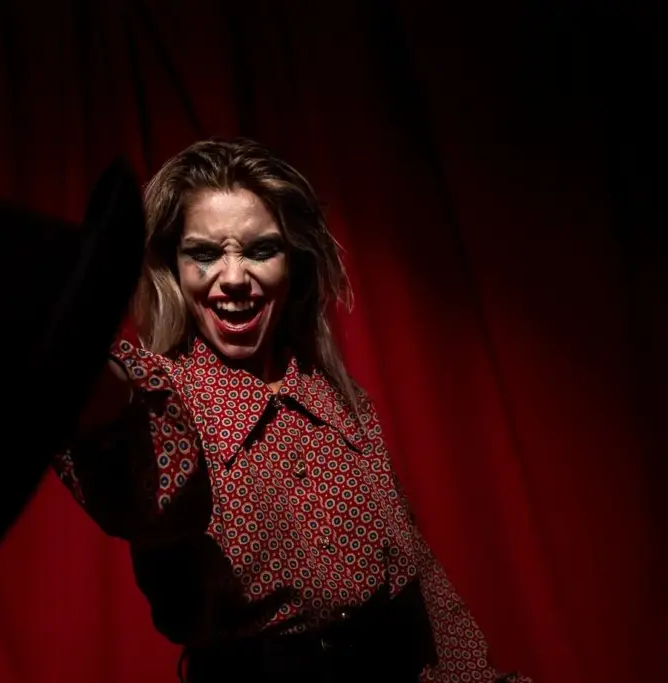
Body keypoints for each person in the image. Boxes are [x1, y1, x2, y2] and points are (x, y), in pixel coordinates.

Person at [54, 138, 529, 683]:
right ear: (173, 268)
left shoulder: (336, 397)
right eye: (204, 254)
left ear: (293, 263)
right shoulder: (165, 401)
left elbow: (417, 577)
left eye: (261, 250)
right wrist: (67, 336)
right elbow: (116, 406)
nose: (234, 278)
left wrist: (477, 676)